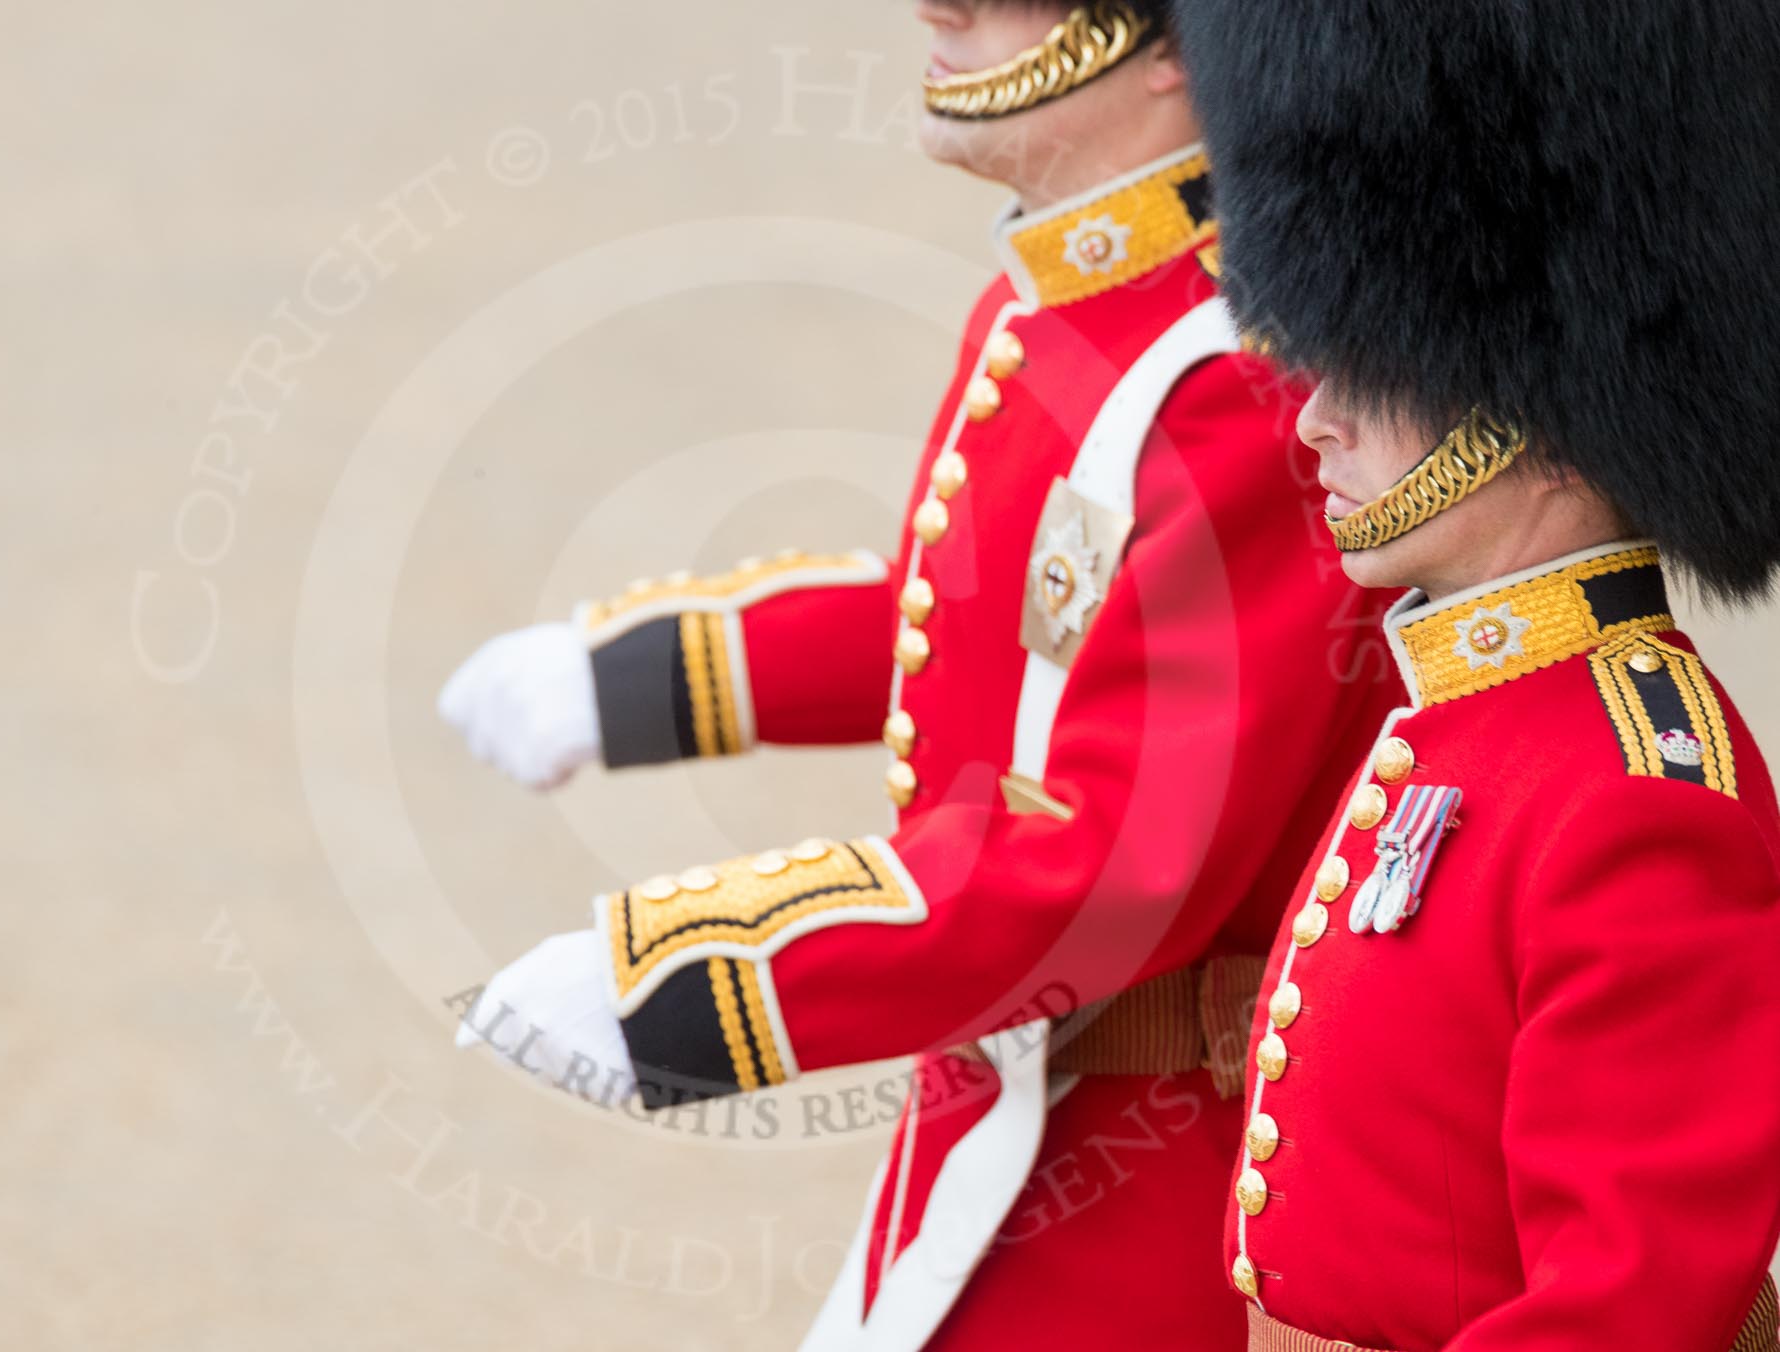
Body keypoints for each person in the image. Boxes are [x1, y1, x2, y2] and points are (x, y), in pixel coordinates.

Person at [440, 3, 1396, 1345]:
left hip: (1158, 1176)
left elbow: (1110, 867)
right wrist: (633, 679)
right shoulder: (1079, 303)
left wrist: (701, 976)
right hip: (1001, 1109)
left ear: (1179, 43)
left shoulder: (1233, 375)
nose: (943, 7)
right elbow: (970, 623)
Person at [1164, 0, 1780, 1347]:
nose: (1313, 420)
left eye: (1374, 372)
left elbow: (1625, 1313)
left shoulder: (1637, 791)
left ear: (1547, 421)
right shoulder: (1466, 725)